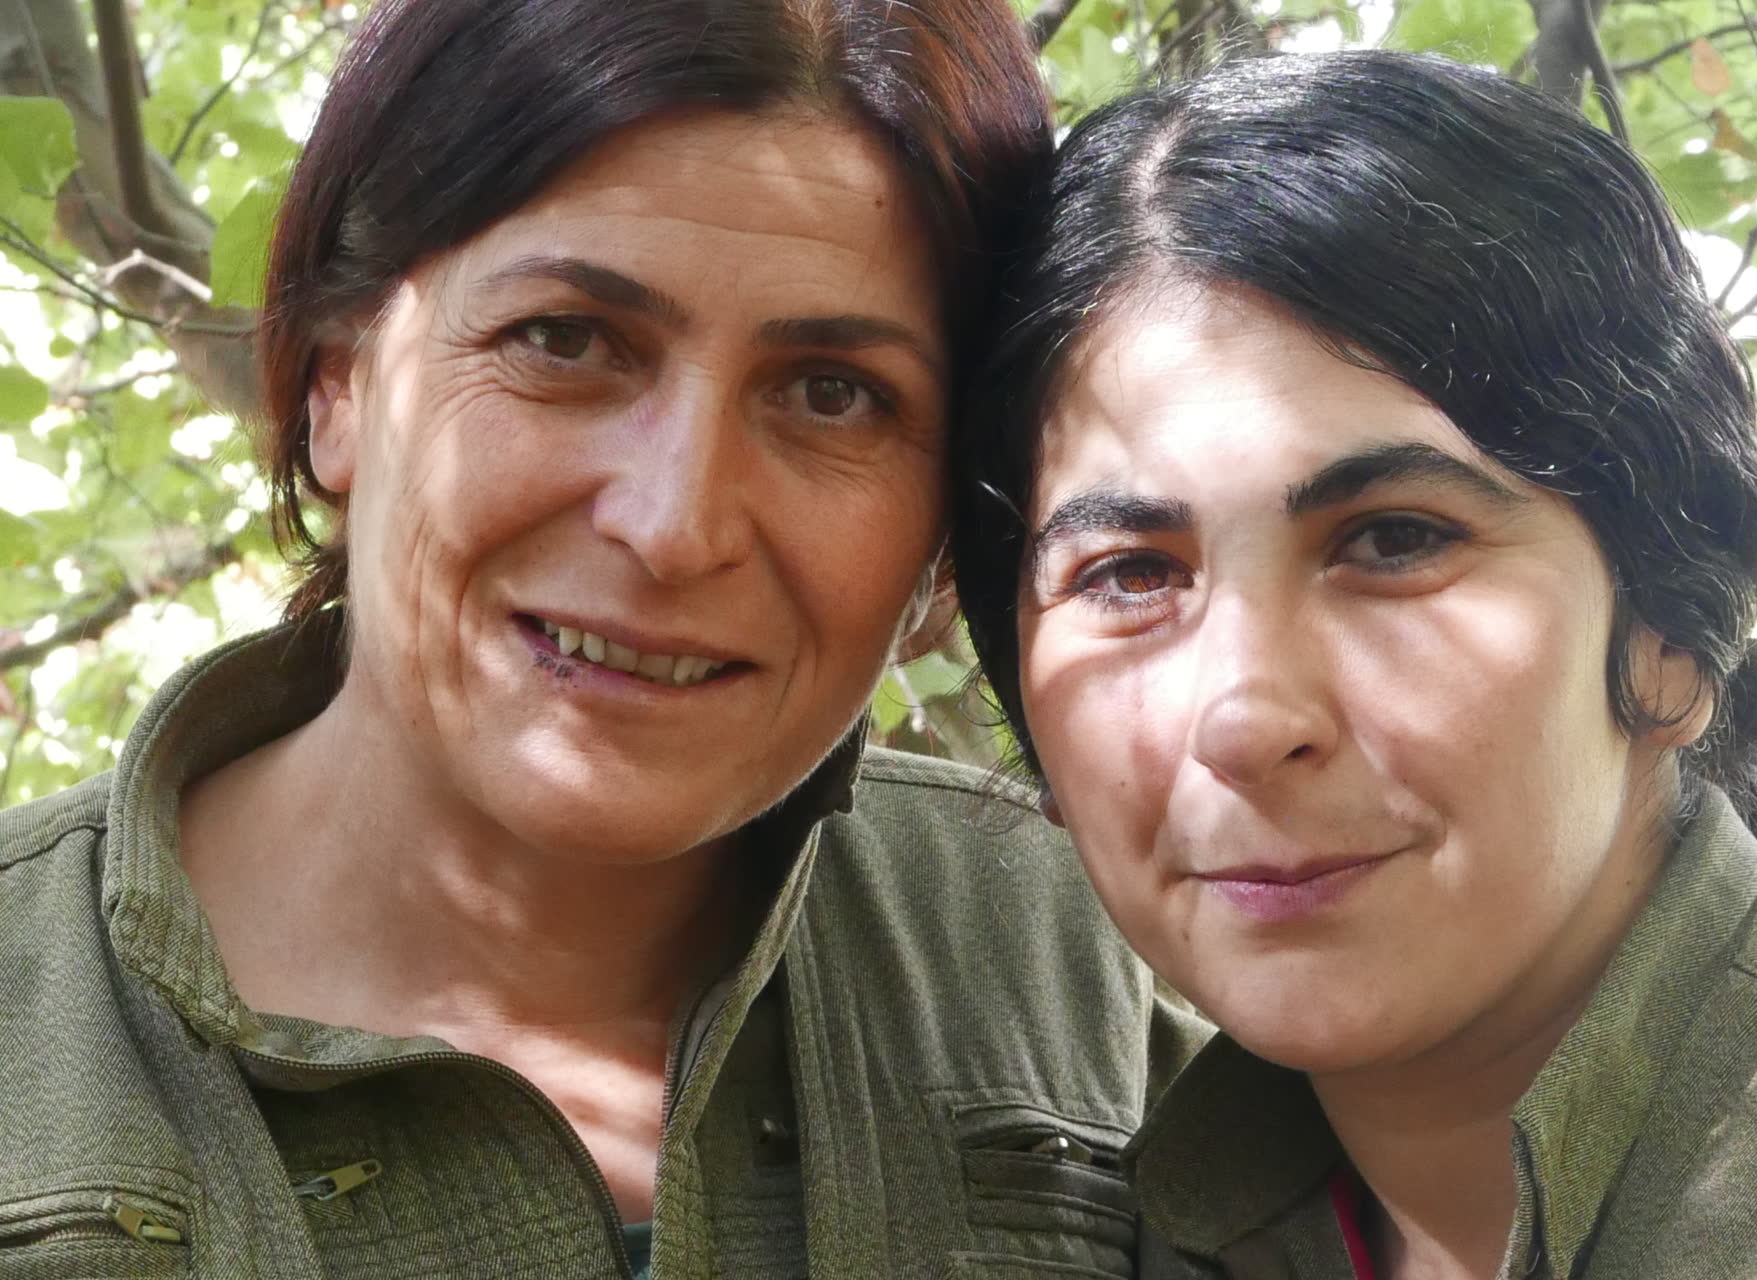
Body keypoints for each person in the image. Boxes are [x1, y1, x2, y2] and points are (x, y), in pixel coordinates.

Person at [0, 3, 1210, 1276]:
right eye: (565, 340)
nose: (675, 525)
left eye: (832, 394)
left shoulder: (1063, 949)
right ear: (336, 380)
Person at [950, 49, 1757, 1280]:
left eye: (1395, 540)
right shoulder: (1116, 1224)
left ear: (1670, 638)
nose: (1243, 719)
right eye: (1131, 574)